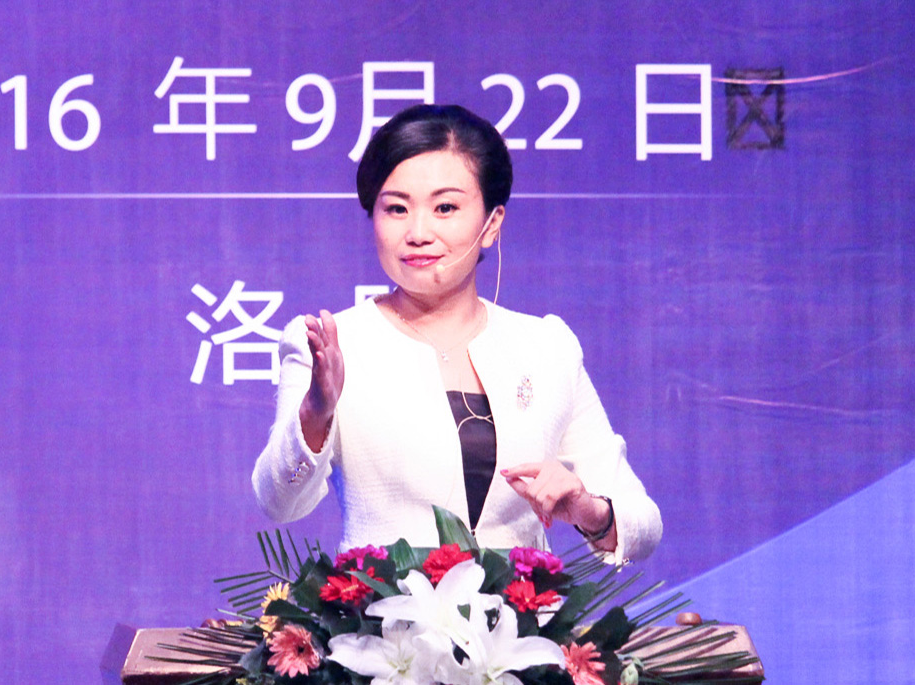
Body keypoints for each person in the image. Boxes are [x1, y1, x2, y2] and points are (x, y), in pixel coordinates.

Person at [252, 104, 661, 565]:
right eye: (396, 208)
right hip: (379, 609)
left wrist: (589, 510)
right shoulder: (331, 343)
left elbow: (643, 525)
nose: (418, 232)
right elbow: (277, 500)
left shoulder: (547, 348)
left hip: (524, 610)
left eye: (445, 208)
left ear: (491, 224)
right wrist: (316, 413)